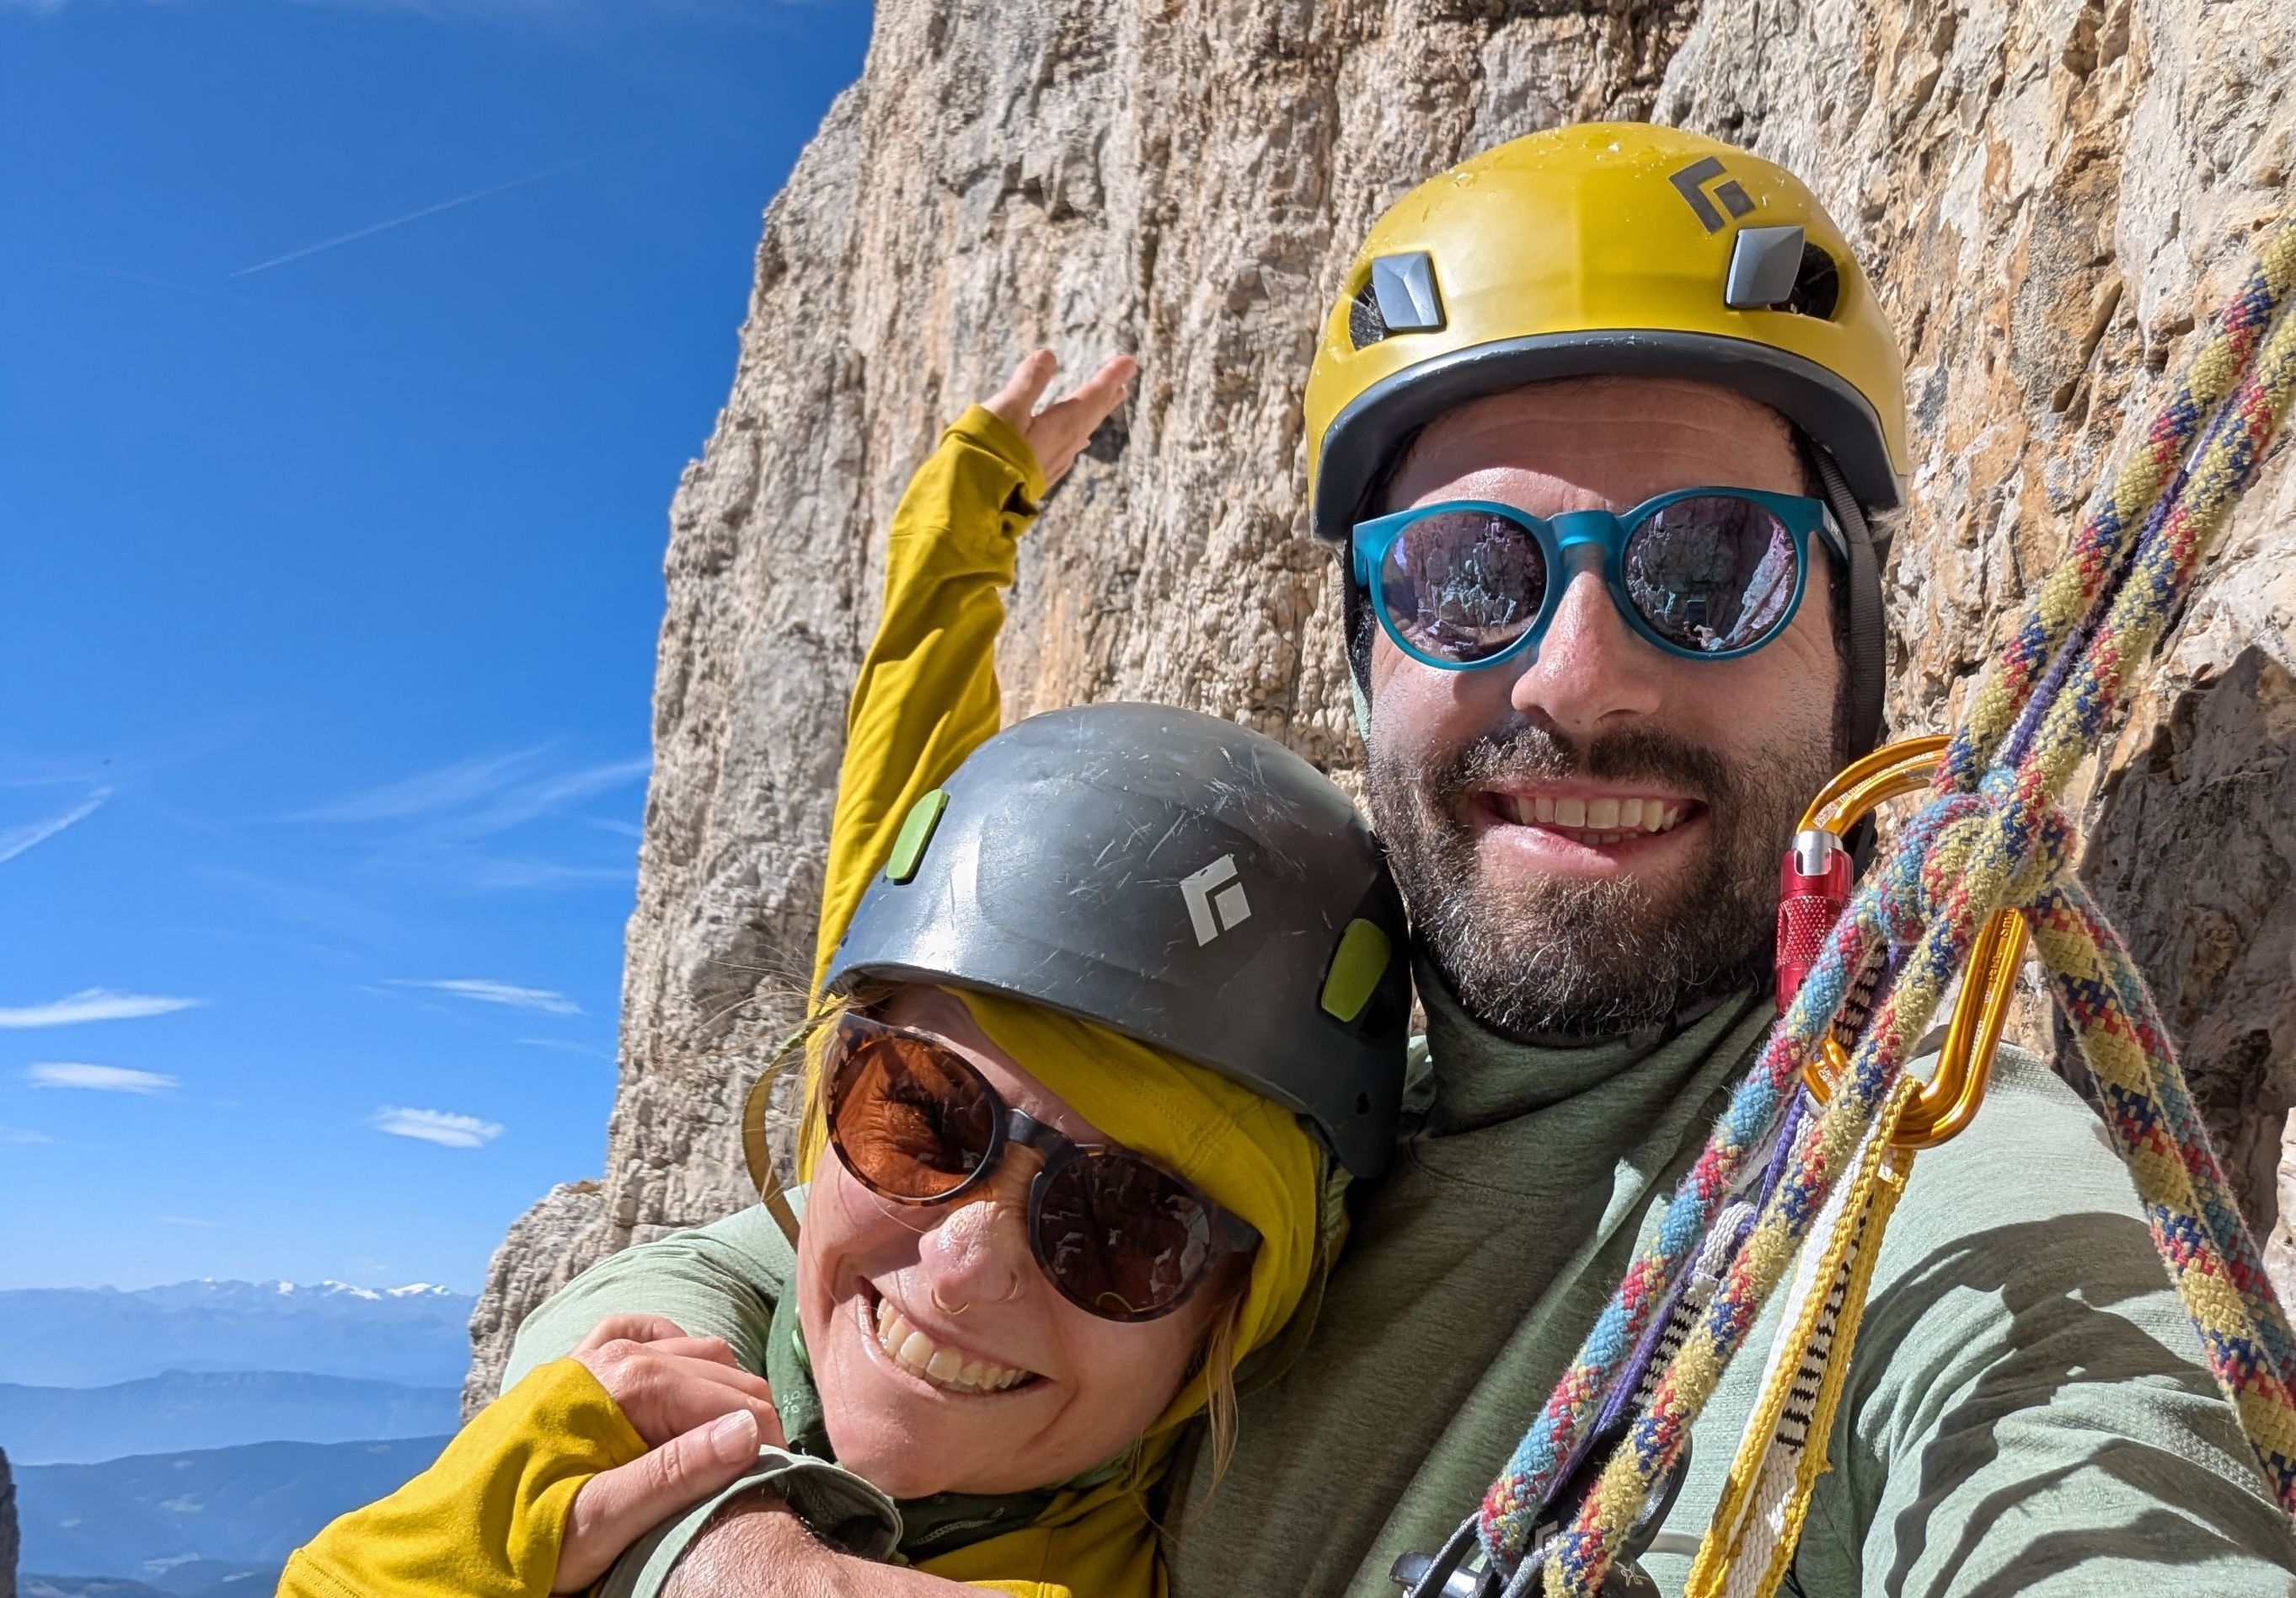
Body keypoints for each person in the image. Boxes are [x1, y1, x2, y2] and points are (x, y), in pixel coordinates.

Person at [528, 123, 2296, 1596]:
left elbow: (2095, 1467)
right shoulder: (1279, 1064)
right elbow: (766, 1261)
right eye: (1468, 579)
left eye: (1709, 569)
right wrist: (722, 1538)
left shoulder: (1920, 1184)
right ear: (1368, 654)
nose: (1577, 679)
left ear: (1850, 637)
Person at [275, 354, 1412, 1598]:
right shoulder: (588, 1430)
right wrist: (964, 512)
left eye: (1128, 1226)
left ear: (1234, 1317)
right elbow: (898, 817)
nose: (964, 1268)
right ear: (833, 1094)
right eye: (921, 1121)